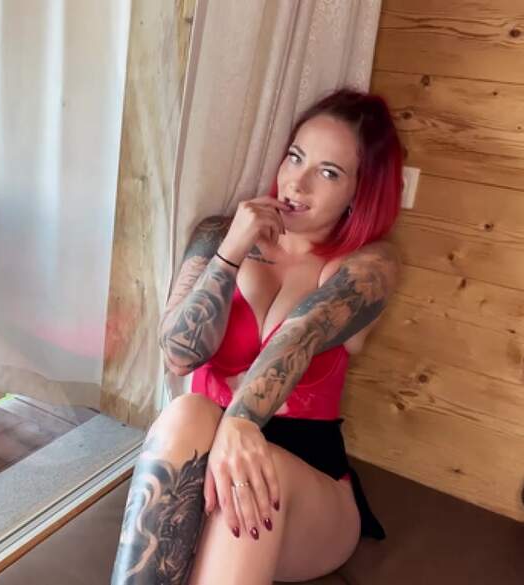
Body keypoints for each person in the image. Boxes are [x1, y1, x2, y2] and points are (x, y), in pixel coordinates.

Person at [111, 88, 402, 585]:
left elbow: (302, 333)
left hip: (308, 488)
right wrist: (230, 251)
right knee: (186, 411)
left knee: (253, 477)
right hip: (204, 467)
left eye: (329, 173)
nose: (297, 182)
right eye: (296, 157)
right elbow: (178, 355)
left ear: (360, 192)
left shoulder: (369, 266)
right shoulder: (218, 235)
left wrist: (241, 423)